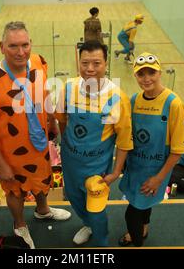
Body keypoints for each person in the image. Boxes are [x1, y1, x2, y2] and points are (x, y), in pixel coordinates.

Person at [0, 21, 71, 249]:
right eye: (13, 46)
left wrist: (51, 121)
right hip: (11, 155)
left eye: (25, 45)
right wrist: (1, 164)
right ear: (1, 46)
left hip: (38, 145)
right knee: (15, 191)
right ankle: (19, 226)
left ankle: (42, 210)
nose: (21, 52)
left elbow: (44, 93)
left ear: (31, 44)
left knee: (42, 180)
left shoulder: (37, 62)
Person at [55, 40, 133, 247]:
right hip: (71, 163)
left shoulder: (117, 98)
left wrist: (116, 172)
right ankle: (87, 225)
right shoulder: (69, 87)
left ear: (106, 63)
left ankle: (102, 243)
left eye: (96, 63)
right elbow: (62, 120)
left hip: (96, 168)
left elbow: (124, 141)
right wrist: (66, 147)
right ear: (78, 63)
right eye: (85, 63)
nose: (90, 69)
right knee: (75, 199)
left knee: (97, 211)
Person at [118, 53, 184, 247]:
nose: (146, 78)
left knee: (132, 213)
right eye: (141, 74)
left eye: (151, 72)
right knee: (143, 204)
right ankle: (144, 228)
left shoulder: (174, 104)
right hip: (135, 167)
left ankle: (137, 241)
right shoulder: (134, 100)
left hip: (156, 170)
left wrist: (159, 178)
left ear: (160, 72)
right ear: (135, 76)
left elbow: (178, 150)